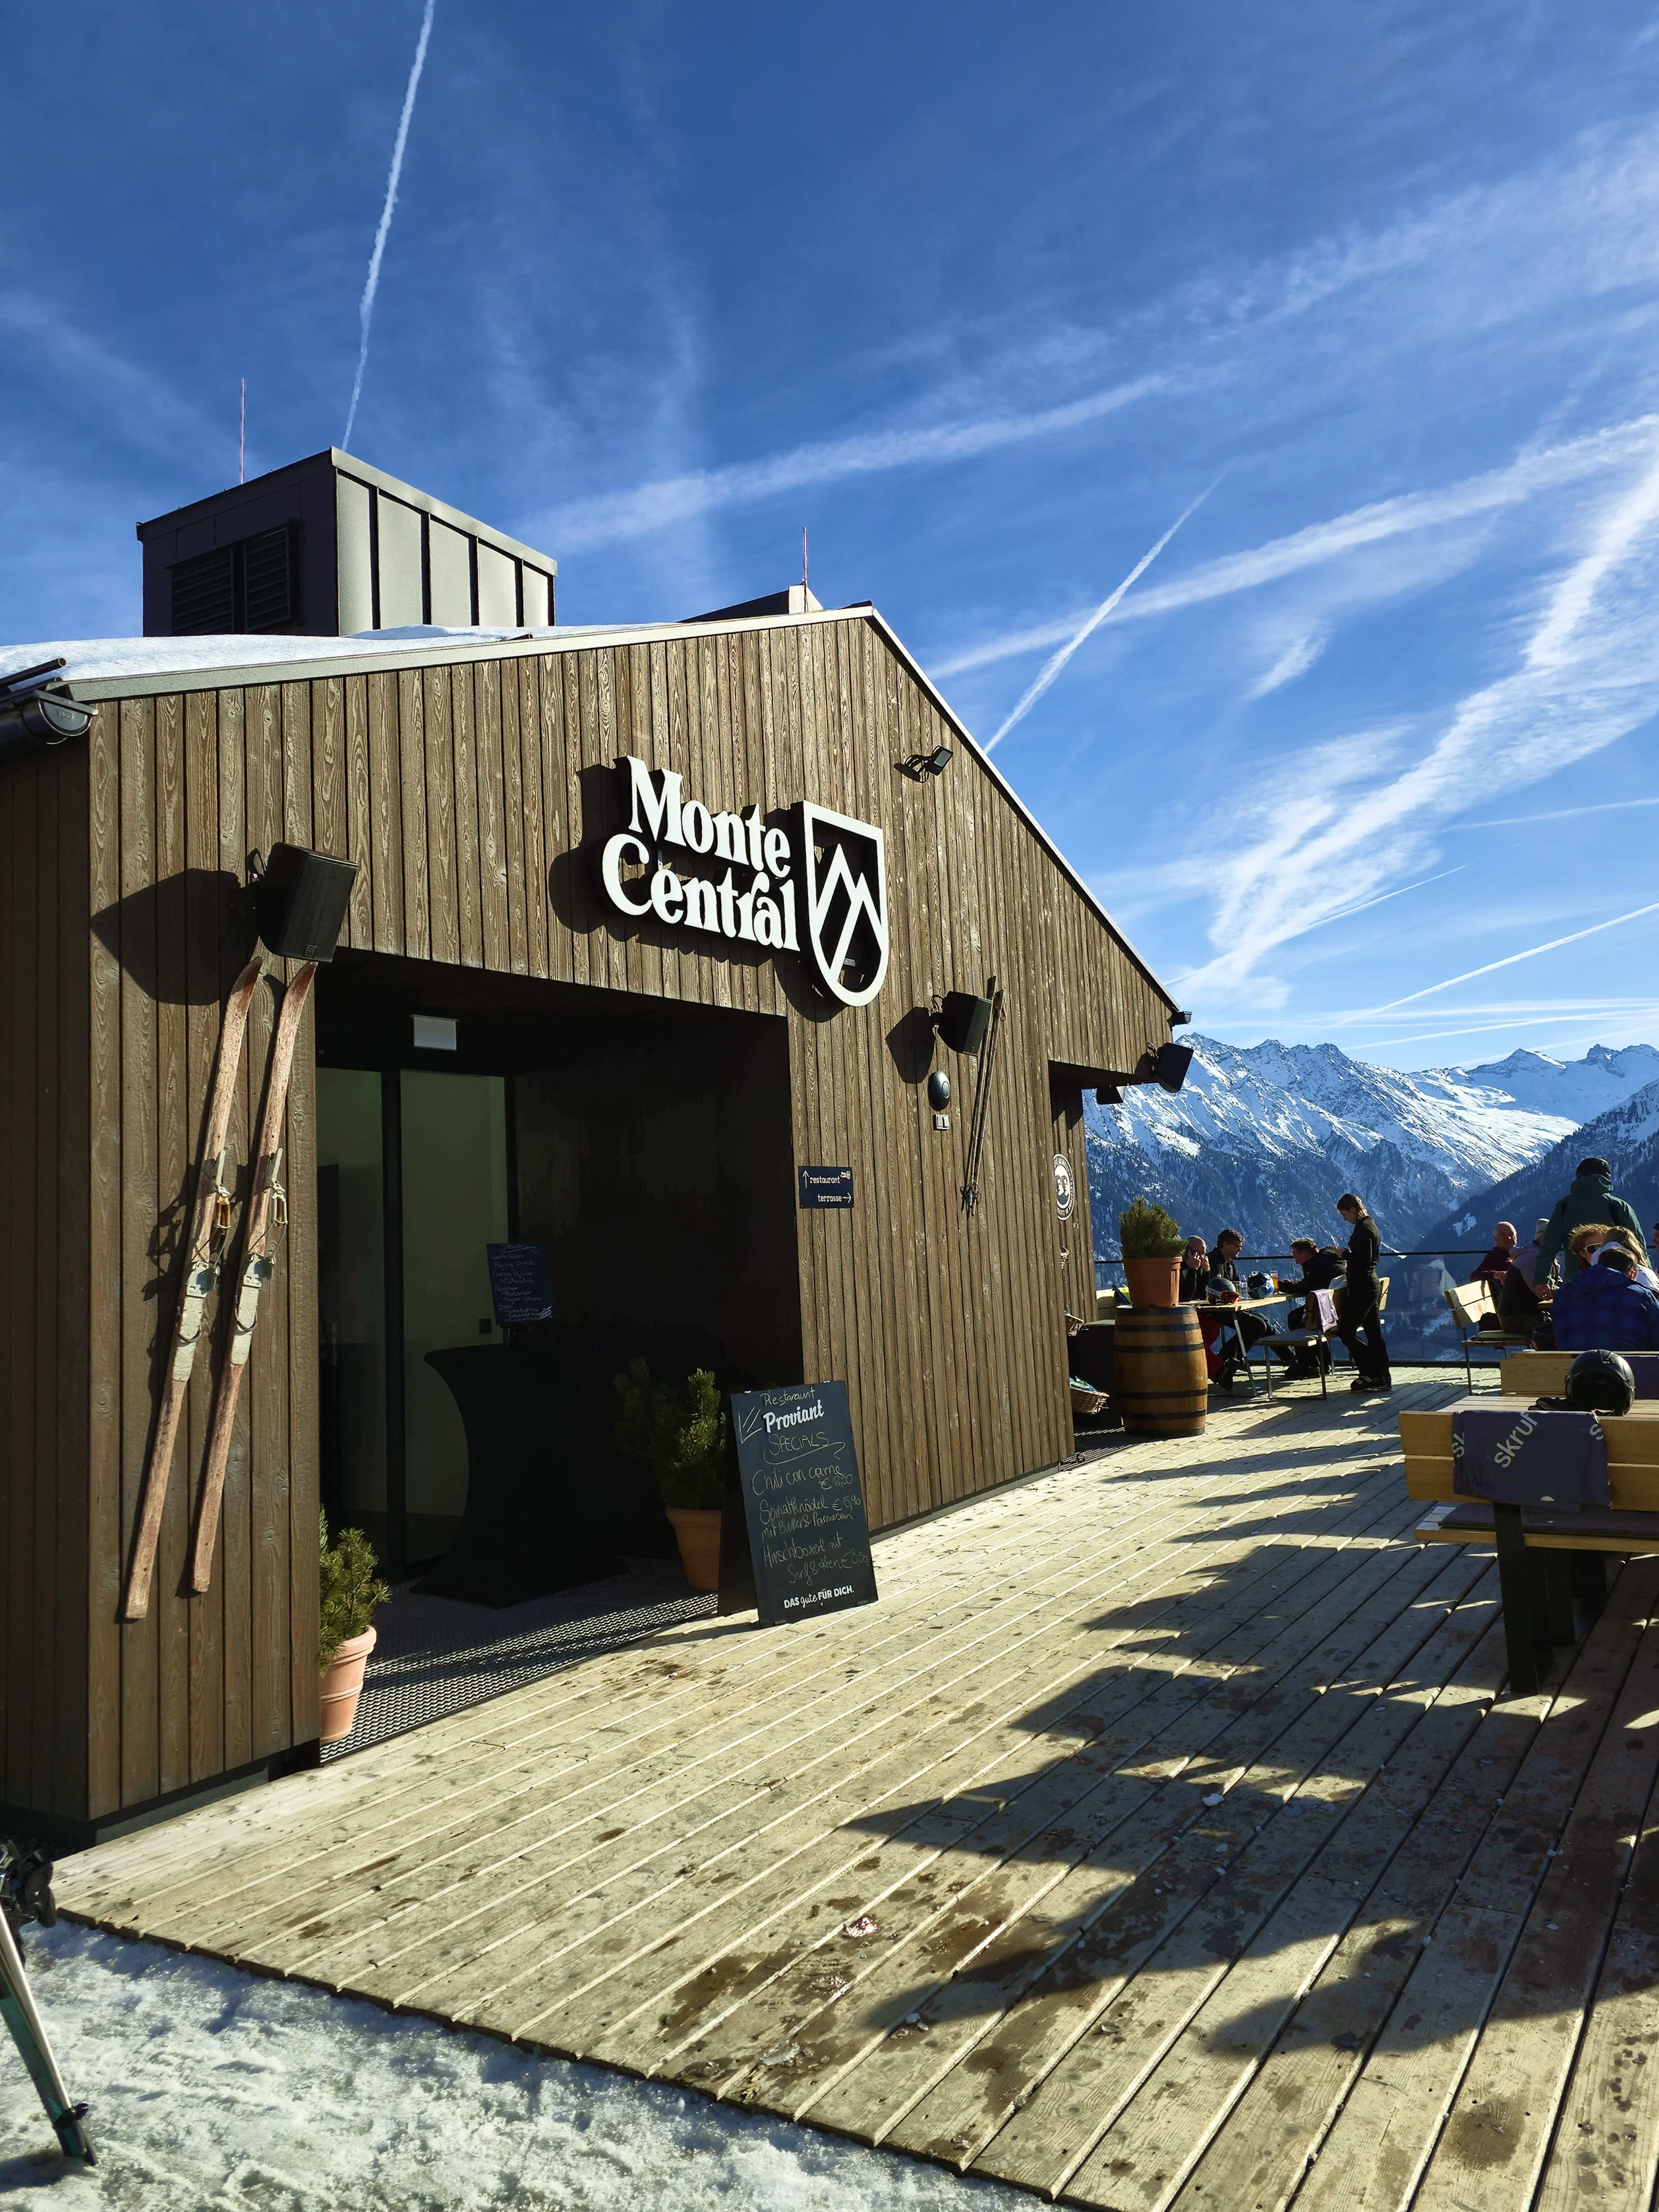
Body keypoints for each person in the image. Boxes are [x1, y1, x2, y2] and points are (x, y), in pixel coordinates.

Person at [1536, 1158, 1644, 1283]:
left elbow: (1548, 1247)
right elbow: (1638, 1246)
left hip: (1576, 1281)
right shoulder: (1619, 1206)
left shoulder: (1564, 1207)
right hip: (1618, 1281)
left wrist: (1542, 1280)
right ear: (1607, 1177)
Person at [1550, 1244, 1659, 1353]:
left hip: (1571, 1367)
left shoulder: (1563, 1292)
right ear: (1632, 1274)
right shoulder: (1641, 1296)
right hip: (1631, 1366)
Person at [1335, 1192, 1391, 1392]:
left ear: (1352, 1210)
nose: (1344, 1219)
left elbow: (1364, 1260)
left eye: (1344, 1214)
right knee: (1374, 1333)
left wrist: (1344, 1254)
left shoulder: (1363, 1229)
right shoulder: (1369, 1225)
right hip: (1370, 1285)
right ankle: (1383, 1377)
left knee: (1346, 1331)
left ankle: (1372, 1372)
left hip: (1362, 1288)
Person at [1469, 1223, 1517, 1289]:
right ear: (1495, 1239)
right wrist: (1496, 1275)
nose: (1509, 1238)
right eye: (1503, 1235)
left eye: (1511, 1234)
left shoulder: (1519, 1254)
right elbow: (1474, 1276)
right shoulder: (1494, 1257)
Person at [1179, 1236, 1210, 1303]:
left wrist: (1206, 1273)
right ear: (1186, 1252)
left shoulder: (1200, 1267)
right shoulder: (1178, 1268)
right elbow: (1186, 1297)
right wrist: (1192, 1270)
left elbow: (1203, 1295)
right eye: (1197, 1253)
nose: (1201, 1257)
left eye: (1203, 1253)